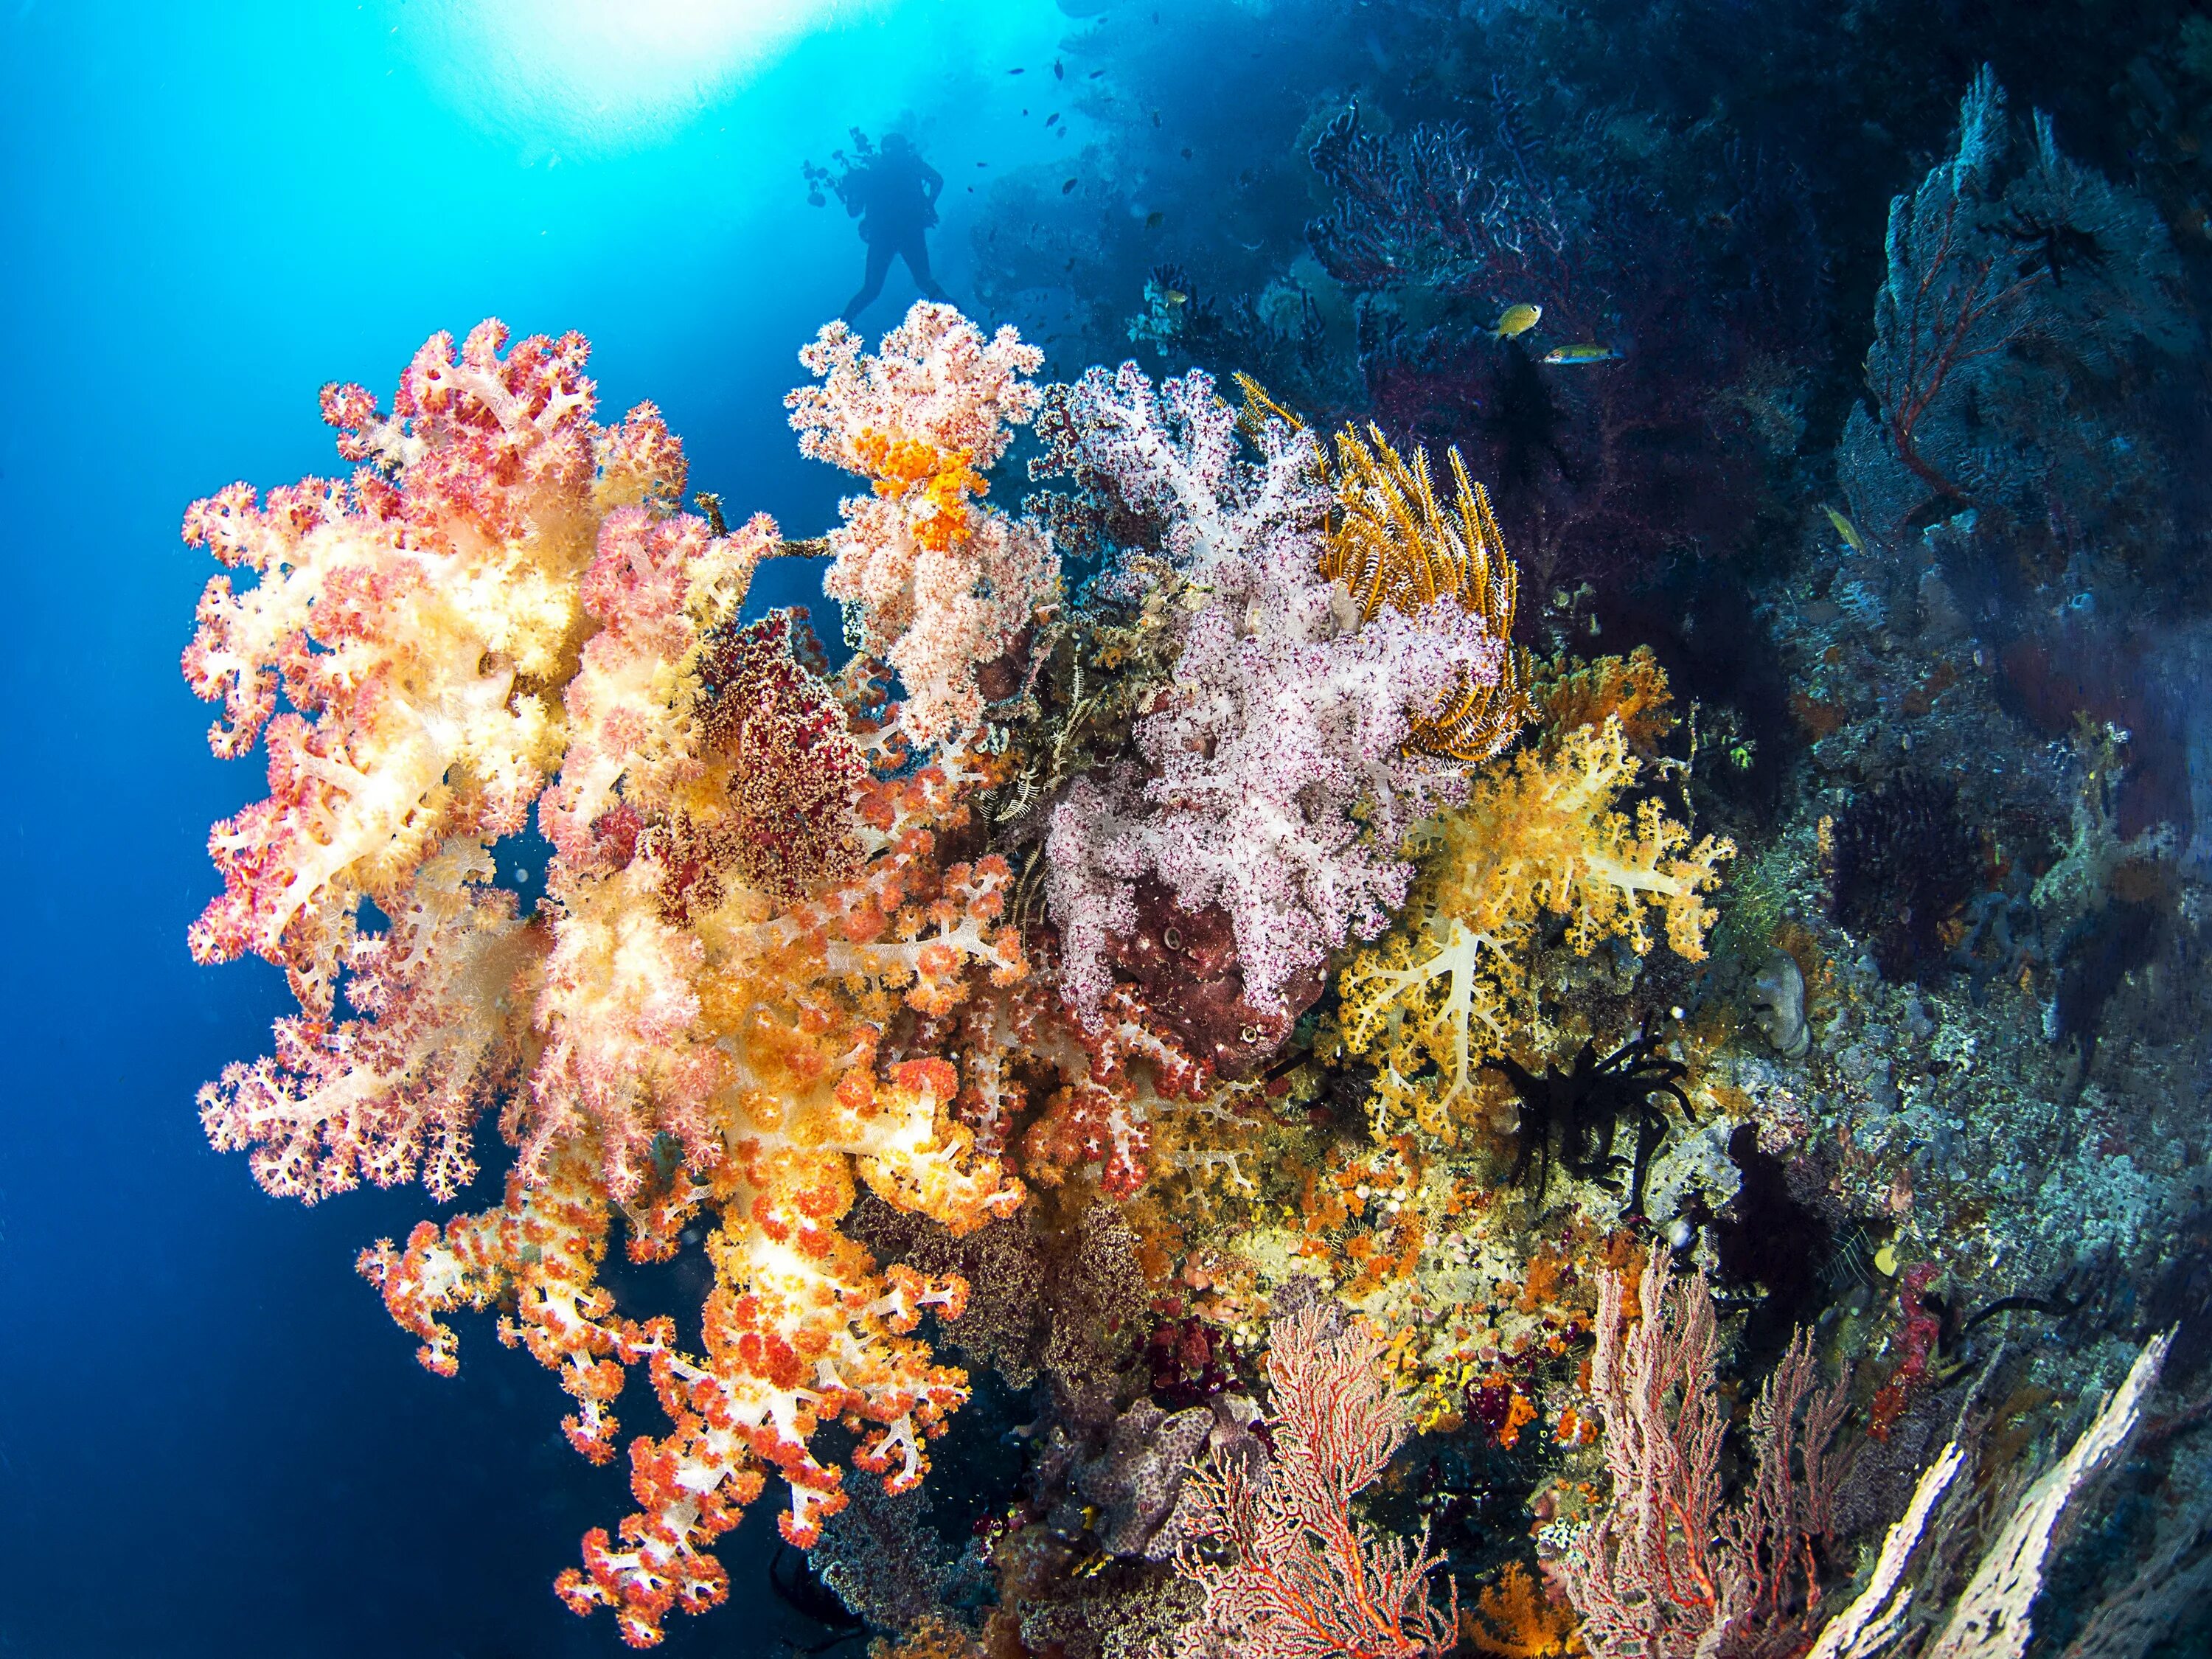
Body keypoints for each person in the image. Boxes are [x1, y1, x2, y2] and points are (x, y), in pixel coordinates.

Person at [838, 133, 950, 323]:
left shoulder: (873, 171)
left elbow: (853, 211)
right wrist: (929, 205)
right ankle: (956, 321)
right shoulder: (910, 163)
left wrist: (851, 189)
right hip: (910, 230)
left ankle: (839, 332)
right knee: (925, 283)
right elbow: (937, 180)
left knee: (871, 290)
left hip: (883, 235)